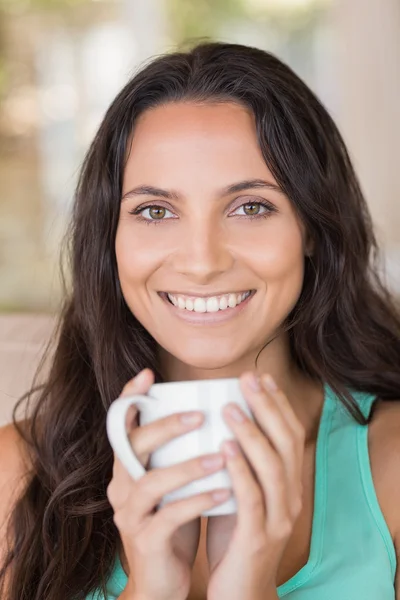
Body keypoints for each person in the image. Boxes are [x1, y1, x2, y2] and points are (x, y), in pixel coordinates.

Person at [0, 40, 400, 600]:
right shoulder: (15, 478)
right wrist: (151, 589)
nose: (202, 261)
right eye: (155, 211)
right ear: (109, 241)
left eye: (250, 207)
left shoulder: (391, 468)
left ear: (311, 227)